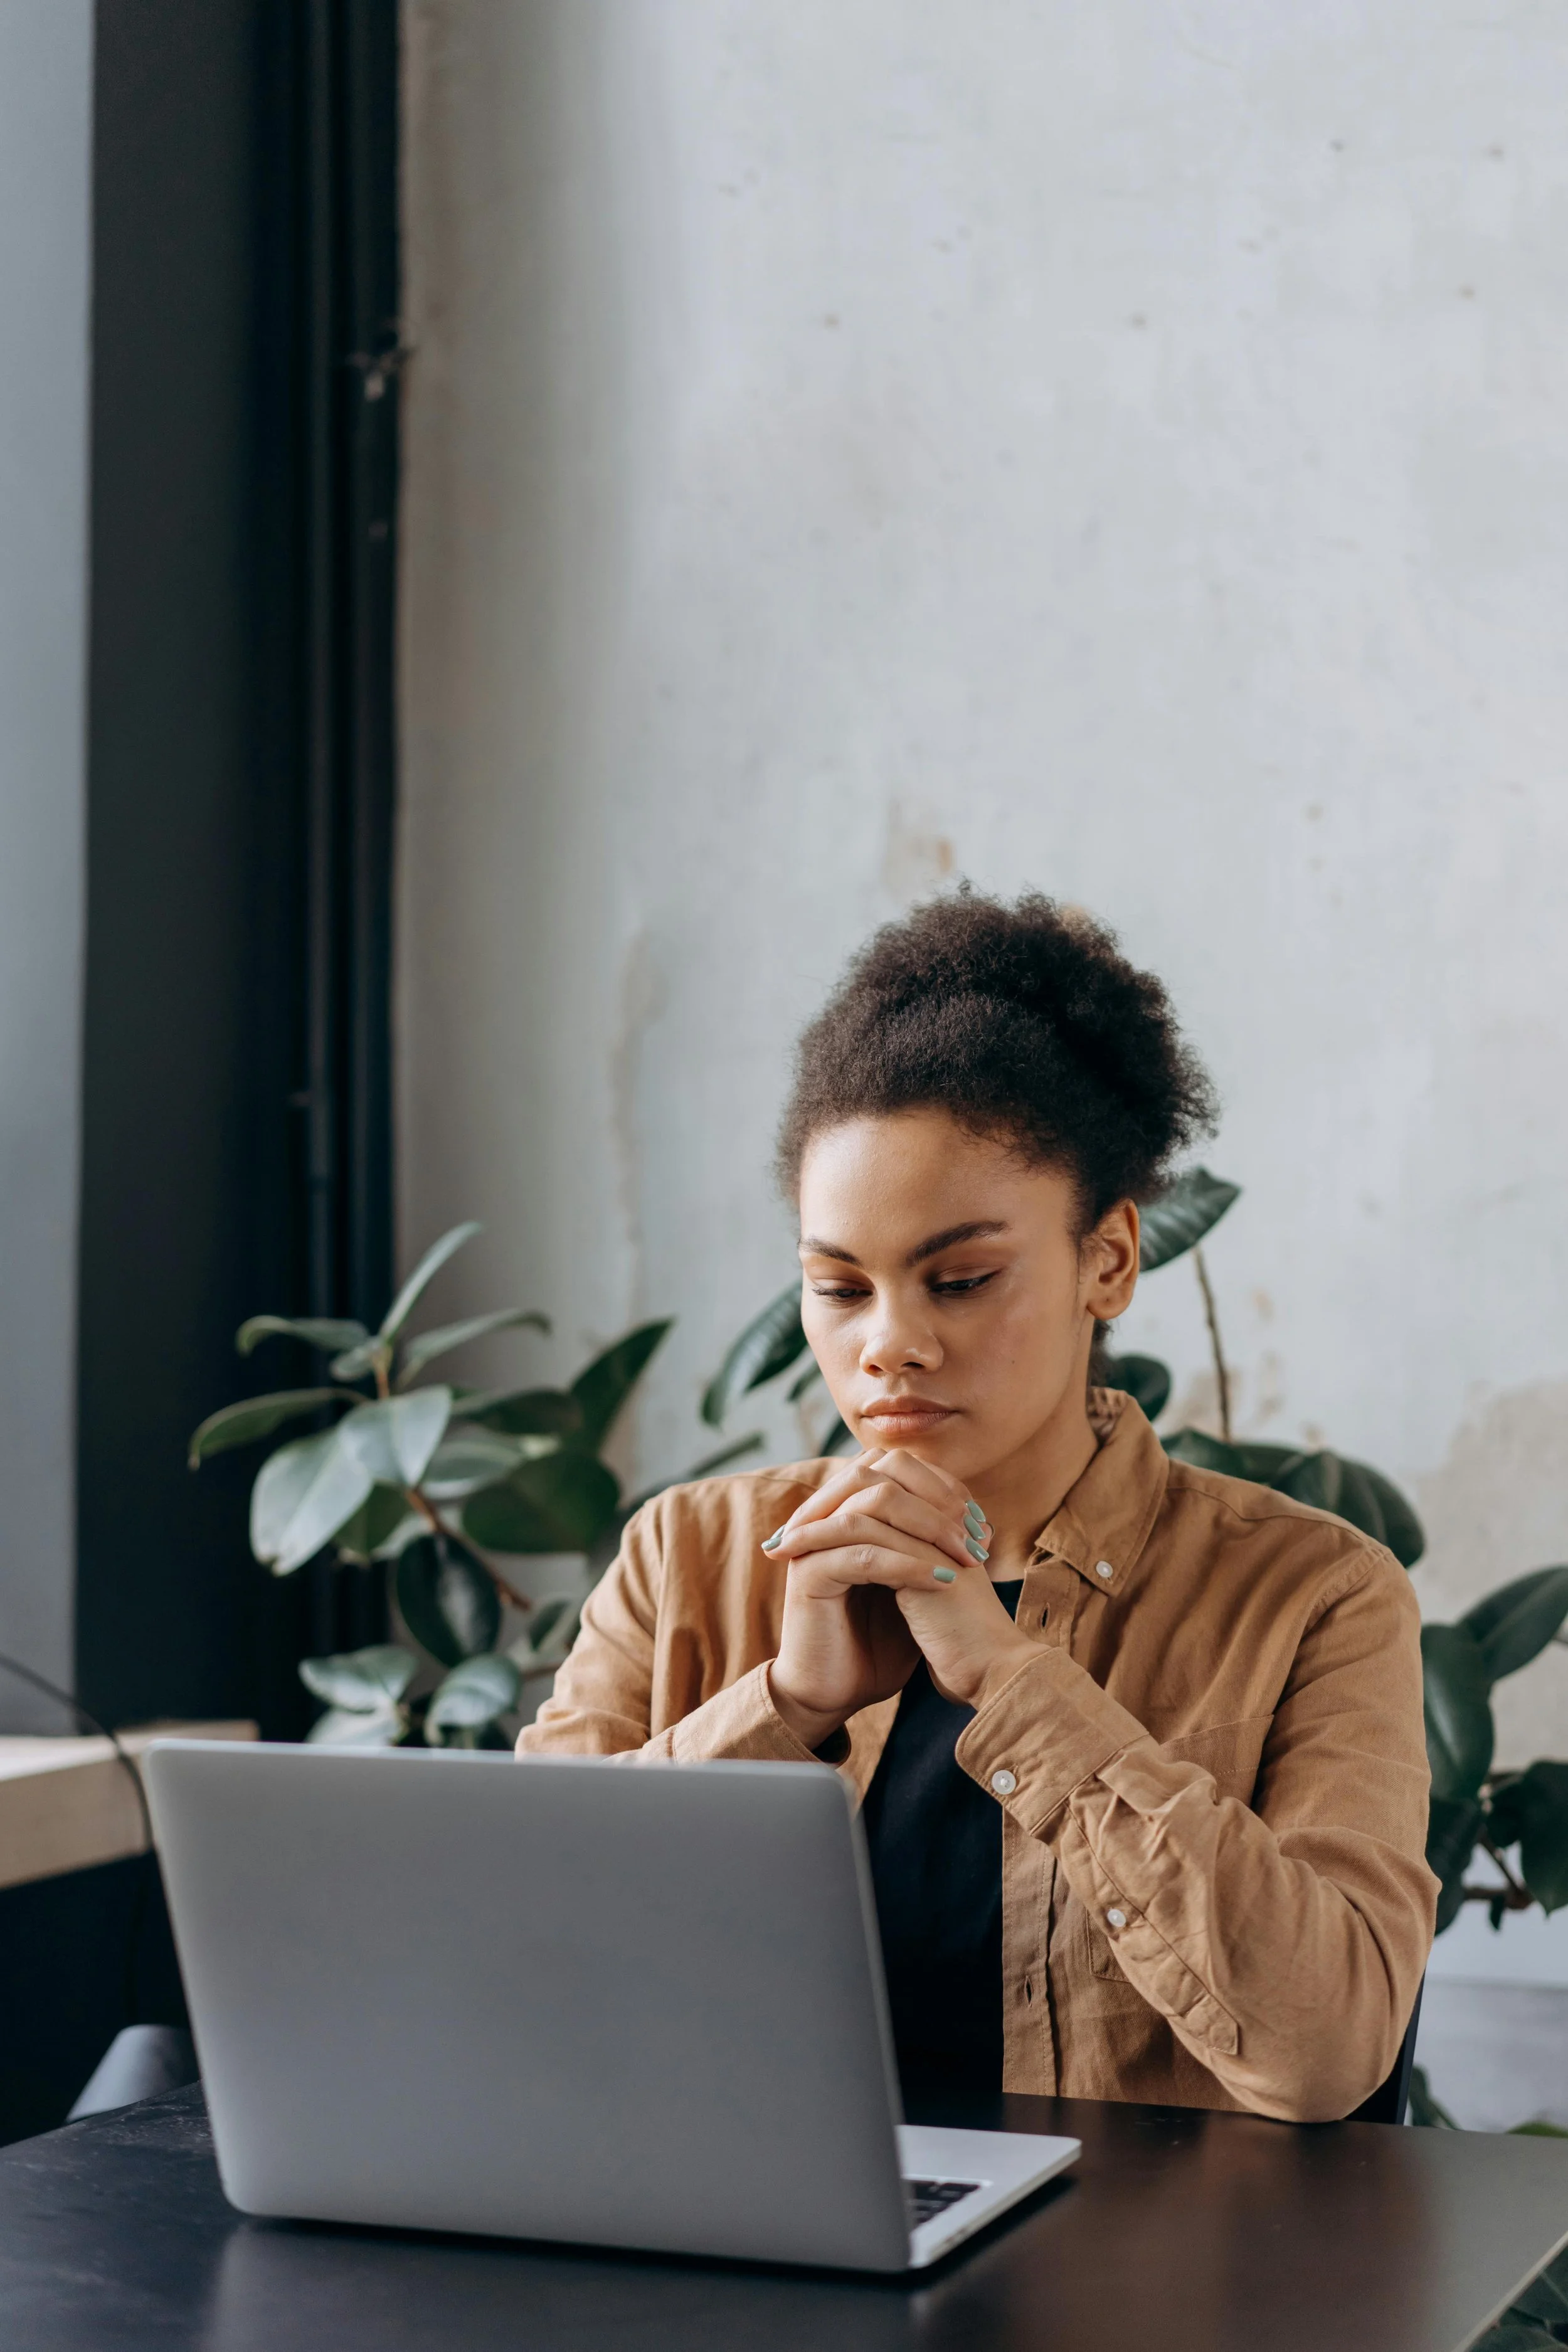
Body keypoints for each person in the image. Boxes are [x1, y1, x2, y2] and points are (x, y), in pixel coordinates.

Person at [519, 889, 1436, 2121]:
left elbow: (1322, 2053)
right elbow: (520, 1966)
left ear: (1106, 1261)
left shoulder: (1313, 1595)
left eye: (958, 1280)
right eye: (838, 1288)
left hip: (1128, 2291)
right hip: (746, 2278)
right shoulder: (686, 1556)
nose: (888, 1345)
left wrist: (1013, 1684)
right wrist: (785, 1708)